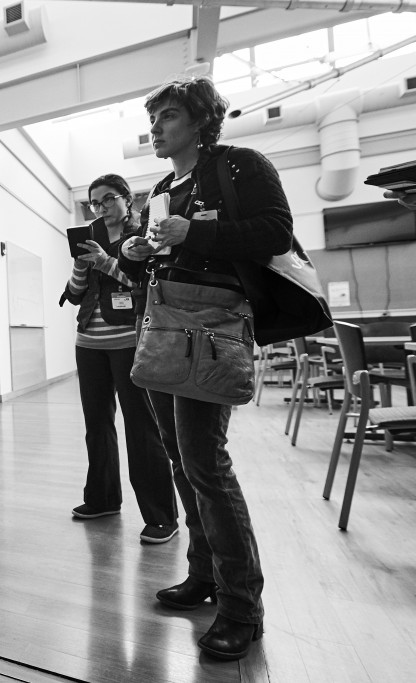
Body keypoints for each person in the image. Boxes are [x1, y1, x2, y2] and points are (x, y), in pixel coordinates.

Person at [119, 75, 293, 661]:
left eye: (168, 116)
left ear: (199, 120)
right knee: (181, 459)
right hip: (165, 326)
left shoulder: (240, 164)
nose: (156, 127)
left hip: (211, 331)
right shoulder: (163, 187)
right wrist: (140, 251)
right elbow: (164, 251)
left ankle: (242, 606)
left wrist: (194, 231)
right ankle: (204, 575)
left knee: (206, 464)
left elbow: (275, 232)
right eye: (154, 118)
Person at [59, 174, 178, 544]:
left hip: (130, 340)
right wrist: (83, 264)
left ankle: (162, 516)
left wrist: (107, 261)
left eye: (109, 199)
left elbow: (142, 283)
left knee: (141, 427)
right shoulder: (91, 235)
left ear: (127, 200)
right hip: (88, 342)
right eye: (95, 202)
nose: (102, 207)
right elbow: (77, 294)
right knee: (97, 424)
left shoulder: (143, 233)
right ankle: (103, 499)